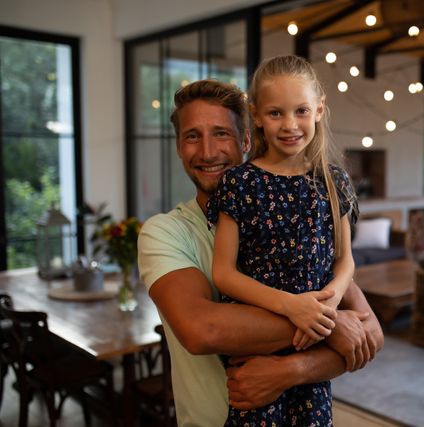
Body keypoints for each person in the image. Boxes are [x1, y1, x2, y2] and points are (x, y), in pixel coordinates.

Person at [137, 78, 384, 427]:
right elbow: (202, 330)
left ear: (247, 140)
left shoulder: (296, 225)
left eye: (221, 133)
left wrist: (291, 370)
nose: (207, 152)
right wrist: (329, 327)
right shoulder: (165, 232)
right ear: (179, 147)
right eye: (193, 136)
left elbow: (369, 335)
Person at [208, 55, 358, 426]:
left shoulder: (333, 181)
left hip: (312, 350)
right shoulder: (239, 183)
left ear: (320, 110)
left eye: (301, 111)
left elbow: (345, 261)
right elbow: (224, 273)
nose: (290, 125)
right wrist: (293, 308)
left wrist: (328, 305)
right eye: (276, 113)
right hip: (256, 345)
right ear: (256, 115)